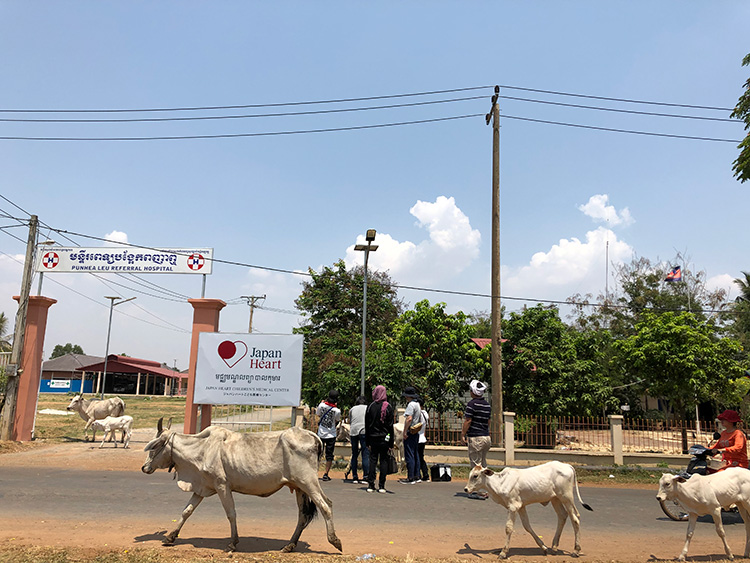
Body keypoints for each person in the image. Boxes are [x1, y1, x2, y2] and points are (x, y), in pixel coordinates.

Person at [461, 379, 491, 499]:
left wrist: (463, 434)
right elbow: (488, 421)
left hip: (476, 437)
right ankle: (488, 489)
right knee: (483, 466)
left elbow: (468, 420)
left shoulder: (472, 404)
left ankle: (479, 492)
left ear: (473, 392)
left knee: (476, 467)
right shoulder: (487, 405)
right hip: (486, 437)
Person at [364, 384, 395, 493]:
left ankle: (371, 484)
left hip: (373, 438)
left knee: (372, 460)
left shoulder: (370, 406)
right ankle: (381, 485)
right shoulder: (388, 407)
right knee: (383, 461)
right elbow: (390, 427)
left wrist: (367, 441)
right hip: (384, 439)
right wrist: (391, 442)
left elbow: (367, 425)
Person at [316, 389, 341, 481]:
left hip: (321, 433)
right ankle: (326, 474)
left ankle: (315, 472)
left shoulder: (321, 405)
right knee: (329, 455)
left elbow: (318, 414)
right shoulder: (337, 410)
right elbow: (336, 421)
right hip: (331, 435)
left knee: (318, 454)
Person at [400, 386, 422, 484]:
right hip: (416, 432)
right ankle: (417, 475)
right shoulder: (417, 404)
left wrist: (404, 431)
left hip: (410, 431)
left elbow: (409, 418)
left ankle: (410, 477)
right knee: (415, 453)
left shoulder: (411, 405)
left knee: (409, 454)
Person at [348, 395, 369, 484]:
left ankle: (355, 476)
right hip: (364, 430)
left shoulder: (352, 409)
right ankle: (365, 476)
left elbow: (350, 420)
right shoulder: (368, 408)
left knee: (354, 454)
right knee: (365, 454)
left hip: (353, 431)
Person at [417, 397, 430, 482]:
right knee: (421, 457)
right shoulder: (425, 414)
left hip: (417, 438)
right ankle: (426, 474)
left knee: (416, 457)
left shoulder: (418, 414)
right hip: (423, 438)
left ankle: (417, 475)